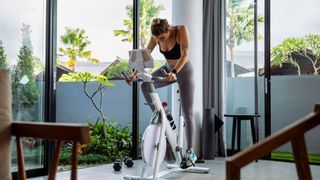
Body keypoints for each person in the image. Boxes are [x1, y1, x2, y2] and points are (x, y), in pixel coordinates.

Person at [127, 18, 196, 166]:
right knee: (145, 85)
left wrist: (175, 72)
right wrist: (134, 74)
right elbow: (143, 58)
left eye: (162, 38)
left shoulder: (180, 30)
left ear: (168, 30)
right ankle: (164, 115)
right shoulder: (156, 36)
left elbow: (185, 55)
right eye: (157, 39)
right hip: (167, 70)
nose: (159, 40)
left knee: (187, 112)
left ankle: (190, 152)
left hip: (183, 71)